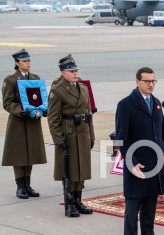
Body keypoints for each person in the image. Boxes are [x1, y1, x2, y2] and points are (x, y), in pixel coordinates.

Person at [115, 67, 164, 235]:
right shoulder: (126, 105)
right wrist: (132, 163)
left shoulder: (157, 104)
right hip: (138, 166)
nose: (151, 84)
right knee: (133, 210)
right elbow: (122, 139)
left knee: (150, 209)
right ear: (137, 82)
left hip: (155, 165)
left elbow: (163, 136)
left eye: (153, 81)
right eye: (147, 81)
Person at [47, 56, 95, 217]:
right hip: (68, 134)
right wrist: (58, 138)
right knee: (69, 170)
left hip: (82, 132)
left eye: (76, 71)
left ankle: (78, 200)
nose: (75, 74)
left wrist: (92, 135)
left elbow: (88, 114)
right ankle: (69, 204)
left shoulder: (83, 88)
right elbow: (53, 118)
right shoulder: (58, 90)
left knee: (81, 169)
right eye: (71, 71)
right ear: (63, 73)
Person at [2, 48, 47, 199]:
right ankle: (20, 186)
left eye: (29, 61)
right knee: (19, 155)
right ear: (17, 63)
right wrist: (22, 110)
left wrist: (43, 108)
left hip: (33, 121)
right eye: (24, 61)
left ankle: (28, 185)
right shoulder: (10, 80)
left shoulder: (35, 78)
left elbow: (40, 98)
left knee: (30, 154)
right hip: (19, 122)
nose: (28, 63)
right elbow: (7, 103)